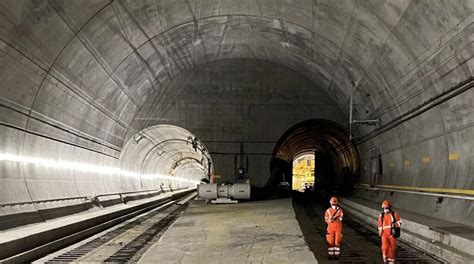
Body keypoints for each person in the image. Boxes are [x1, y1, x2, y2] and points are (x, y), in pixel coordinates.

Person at [378, 199, 402, 264]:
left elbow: (399, 222)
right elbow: (380, 224)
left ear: (389, 208)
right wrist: (380, 230)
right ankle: (385, 256)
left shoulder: (394, 214)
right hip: (384, 234)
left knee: (392, 247)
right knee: (384, 247)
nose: (385, 210)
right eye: (384, 208)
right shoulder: (381, 215)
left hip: (392, 234)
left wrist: (395, 225)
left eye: (386, 208)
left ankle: (391, 259)